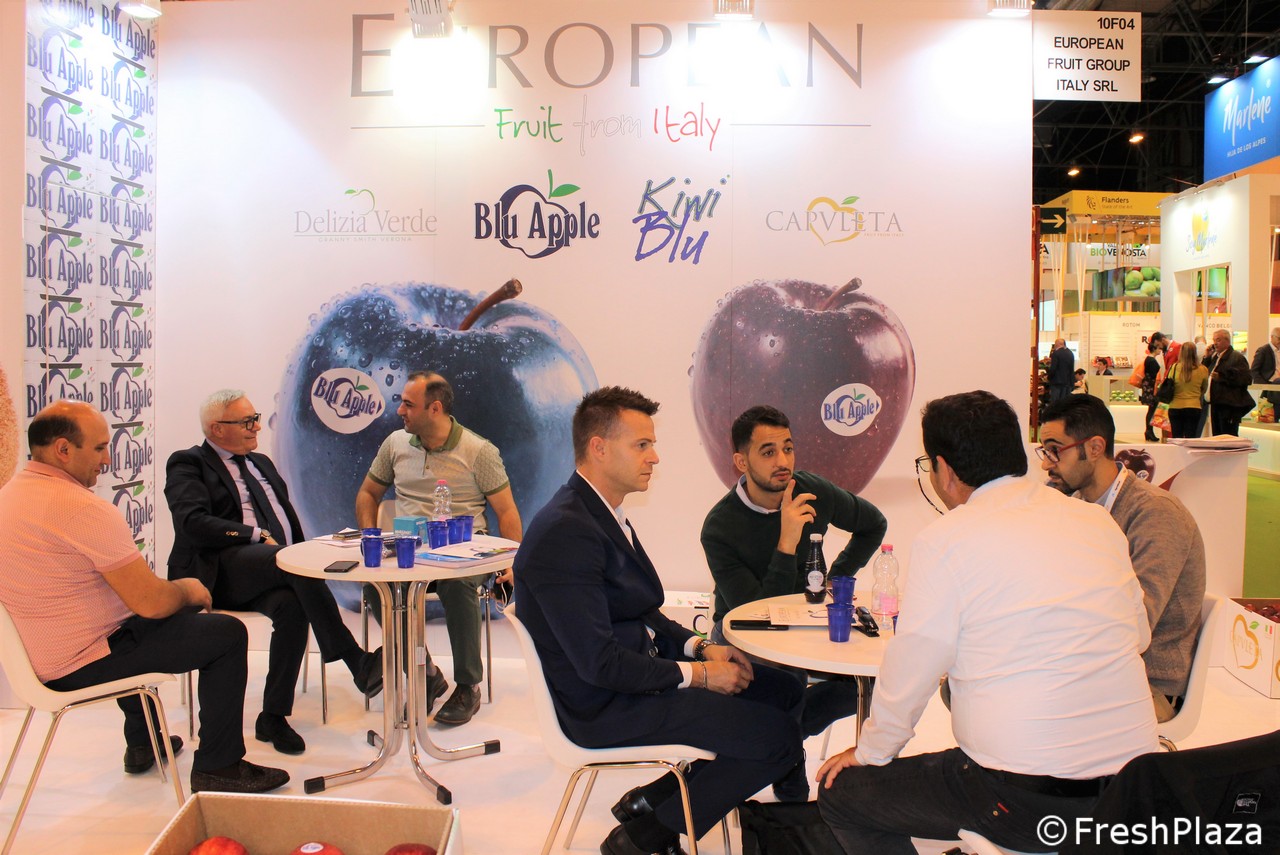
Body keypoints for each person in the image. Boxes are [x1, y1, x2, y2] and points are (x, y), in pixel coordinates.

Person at [816, 390, 1157, 855]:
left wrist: (870, 752)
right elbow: (1138, 634)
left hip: (1026, 800)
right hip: (1134, 793)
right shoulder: (1096, 522)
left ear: (944, 469)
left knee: (841, 795)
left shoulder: (947, 540)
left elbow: (913, 668)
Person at [514, 387, 803, 855]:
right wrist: (700, 676)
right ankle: (642, 838)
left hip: (633, 681)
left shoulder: (597, 514)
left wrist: (700, 647)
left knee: (784, 692)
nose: (655, 456)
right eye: (642, 445)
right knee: (780, 739)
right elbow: (600, 664)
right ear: (599, 448)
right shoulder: (567, 532)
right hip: (603, 705)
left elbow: (642, 610)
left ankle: (658, 800)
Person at [1, 401, 289, 794]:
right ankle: (219, 767)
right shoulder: (81, 509)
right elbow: (151, 602)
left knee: (137, 620)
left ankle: (142, 743)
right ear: (63, 450)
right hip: (83, 660)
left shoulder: (10, 495)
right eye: (99, 448)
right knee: (226, 634)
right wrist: (187, 588)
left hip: (41, 658)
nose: (107, 460)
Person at [165, 390, 383, 756]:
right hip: (219, 572)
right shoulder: (188, 463)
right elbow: (191, 522)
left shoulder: (261, 463)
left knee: (292, 607)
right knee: (290, 561)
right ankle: (353, 658)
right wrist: (253, 535)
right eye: (246, 422)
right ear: (217, 429)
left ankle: (274, 716)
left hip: (269, 570)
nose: (256, 427)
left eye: (256, 418)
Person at [700, 404, 885, 741]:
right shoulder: (719, 527)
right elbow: (759, 617)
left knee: (875, 680)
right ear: (741, 462)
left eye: (788, 448)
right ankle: (783, 744)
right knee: (783, 680)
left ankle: (782, 737)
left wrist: (835, 579)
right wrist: (787, 541)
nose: (783, 461)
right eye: (768, 452)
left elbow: (874, 525)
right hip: (741, 634)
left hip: (808, 620)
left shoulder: (813, 491)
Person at [355, 371, 522, 726]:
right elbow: (368, 493)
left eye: (408, 404)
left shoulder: (479, 451)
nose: (399, 410)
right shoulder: (395, 444)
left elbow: (507, 511)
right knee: (376, 586)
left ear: (434, 409)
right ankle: (426, 673)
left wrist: (512, 563)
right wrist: (370, 535)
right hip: (410, 549)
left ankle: (468, 686)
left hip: (465, 552)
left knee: (457, 585)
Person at [1040, 394, 1207, 722]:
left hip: (1148, 685)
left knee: (1018, 706)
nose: (1046, 464)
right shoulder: (1074, 505)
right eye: (1044, 452)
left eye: (1055, 450)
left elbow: (1135, 622)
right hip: (1093, 671)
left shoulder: (1155, 512)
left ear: (1095, 447)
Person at [1202, 329, 1255, 436]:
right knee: (1217, 436)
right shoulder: (1215, 357)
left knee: (1228, 436)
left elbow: (1246, 379)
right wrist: (1207, 357)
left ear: (1227, 341)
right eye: (1214, 340)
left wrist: (1222, 377)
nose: (1215, 343)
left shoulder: (1237, 358)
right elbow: (1203, 371)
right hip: (1216, 403)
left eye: (1218, 340)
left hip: (1229, 406)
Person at [1163, 341, 1210, 439]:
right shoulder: (1203, 369)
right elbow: (1204, 389)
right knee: (1191, 438)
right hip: (1194, 407)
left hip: (1175, 407)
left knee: (1177, 438)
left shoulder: (1174, 367)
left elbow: (1169, 384)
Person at [1250, 326, 1280, 417]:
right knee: (1273, 414)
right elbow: (1254, 370)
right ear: (1272, 337)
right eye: (1279, 338)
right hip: (1270, 386)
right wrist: (1264, 386)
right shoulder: (1263, 350)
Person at [1140, 338, 1163, 442]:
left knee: (1151, 410)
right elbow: (1154, 375)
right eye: (1159, 348)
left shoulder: (1148, 359)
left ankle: (1149, 431)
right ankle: (1149, 431)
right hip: (1152, 388)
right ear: (1155, 349)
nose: (1160, 350)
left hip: (1148, 388)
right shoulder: (1152, 360)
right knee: (1152, 410)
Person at [1047, 337, 1074, 403]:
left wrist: (1049, 377)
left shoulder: (1056, 353)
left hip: (1057, 382)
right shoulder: (1070, 353)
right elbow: (1071, 368)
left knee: (1055, 403)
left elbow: (1053, 368)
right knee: (1064, 403)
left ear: (1057, 344)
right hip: (1067, 382)